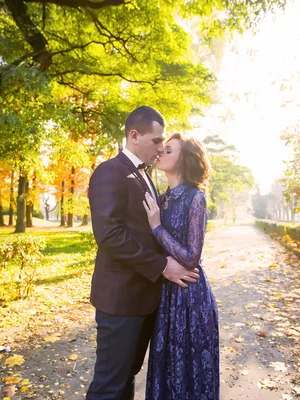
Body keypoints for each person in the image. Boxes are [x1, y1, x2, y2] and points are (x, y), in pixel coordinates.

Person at [86, 106, 200, 400]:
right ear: (134, 136)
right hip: (120, 300)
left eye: (164, 142)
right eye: (156, 141)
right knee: (108, 385)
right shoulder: (110, 172)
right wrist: (163, 266)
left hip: (145, 301)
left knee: (127, 377)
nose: (160, 148)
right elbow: (109, 235)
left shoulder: (146, 176)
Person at [143, 133, 220, 400]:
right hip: (165, 295)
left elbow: (191, 257)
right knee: (168, 366)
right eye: (162, 149)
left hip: (190, 295)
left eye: (169, 150)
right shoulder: (160, 199)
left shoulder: (195, 198)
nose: (161, 152)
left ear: (184, 159)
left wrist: (156, 227)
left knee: (191, 370)